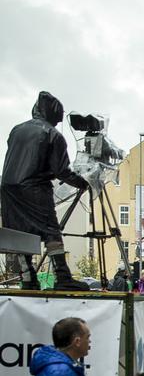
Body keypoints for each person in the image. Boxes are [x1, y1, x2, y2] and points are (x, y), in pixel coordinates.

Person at [1, 91, 90, 290]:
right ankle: (63, 277)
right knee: (51, 230)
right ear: (53, 115)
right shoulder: (53, 134)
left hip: (8, 187)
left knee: (19, 234)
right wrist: (82, 182)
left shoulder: (17, 130)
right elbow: (61, 171)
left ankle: (27, 278)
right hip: (34, 187)